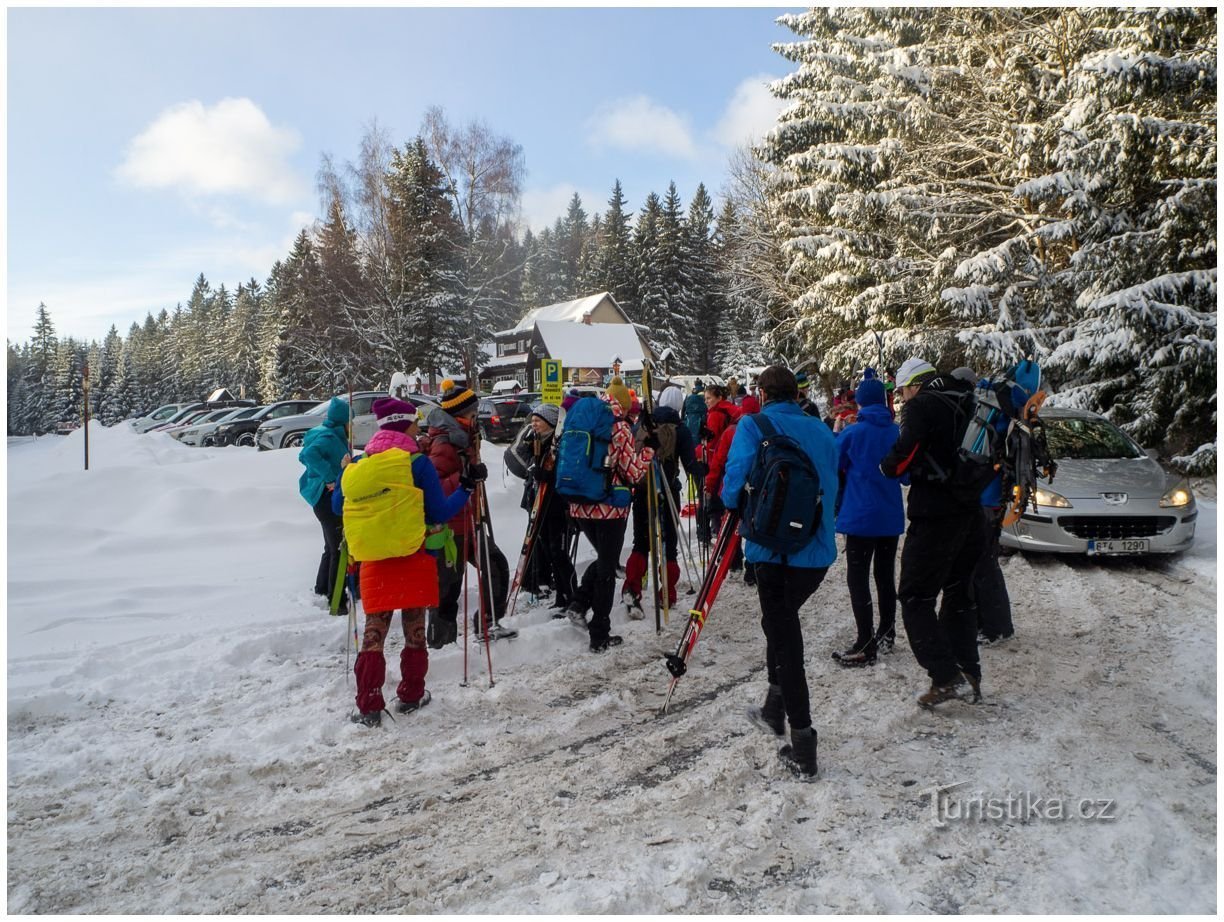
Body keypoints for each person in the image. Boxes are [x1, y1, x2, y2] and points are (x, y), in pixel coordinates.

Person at [722, 365, 838, 777]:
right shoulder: (823, 430)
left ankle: (803, 743)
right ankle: (774, 709)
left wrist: (735, 501)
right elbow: (832, 486)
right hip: (815, 552)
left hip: (771, 550)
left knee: (786, 637)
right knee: (779, 622)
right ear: (795, 393)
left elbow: (731, 484)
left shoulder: (754, 426)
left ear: (763, 393)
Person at [335, 398, 475, 727]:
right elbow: (439, 512)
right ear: (404, 425)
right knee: (414, 630)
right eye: (414, 421)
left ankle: (368, 703)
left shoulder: (362, 463)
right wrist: (466, 487)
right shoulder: (417, 463)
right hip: (414, 554)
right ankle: (411, 695)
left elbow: (336, 501)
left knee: (374, 632)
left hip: (374, 561)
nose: (418, 425)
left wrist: (346, 472)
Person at [881, 357, 986, 706]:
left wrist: (887, 465)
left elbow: (901, 458)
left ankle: (944, 675)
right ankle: (969, 670)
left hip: (935, 514)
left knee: (914, 596)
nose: (902, 399)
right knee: (959, 593)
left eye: (902, 391)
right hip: (973, 512)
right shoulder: (971, 399)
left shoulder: (922, 406)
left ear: (913, 385)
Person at [564, 377, 656, 652]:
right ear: (625, 405)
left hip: (579, 503)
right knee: (606, 569)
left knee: (605, 560)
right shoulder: (619, 426)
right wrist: (649, 450)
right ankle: (599, 633)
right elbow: (633, 472)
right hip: (609, 507)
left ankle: (579, 604)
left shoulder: (581, 416)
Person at [420, 379, 506, 648]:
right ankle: (440, 644)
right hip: (450, 529)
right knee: (447, 588)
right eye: (473, 411)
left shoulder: (464, 436)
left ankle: (488, 623)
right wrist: (466, 477)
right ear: (460, 414)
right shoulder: (445, 443)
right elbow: (434, 488)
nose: (476, 415)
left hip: (469, 520)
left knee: (495, 566)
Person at [831, 377, 905, 667]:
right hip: (889, 517)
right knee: (885, 576)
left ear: (860, 401)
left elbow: (835, 464)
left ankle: (865, 641)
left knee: (858, 578)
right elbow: (906, 474)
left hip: (861, 516)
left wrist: (838, 436)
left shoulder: (853, 433)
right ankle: (887, 632)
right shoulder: (897, 432)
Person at [622, 386, 701, 613]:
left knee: (641, 542)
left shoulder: (643, 425)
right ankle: (666, 592)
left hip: (642, 490)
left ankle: (632, 587)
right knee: (669, 546)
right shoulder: (681, 430)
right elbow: (691, 466)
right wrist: (704, 469)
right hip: (668, 491)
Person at [508, 403, 576, 612]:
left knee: (558, 552)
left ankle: (571, 596)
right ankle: (562, 598)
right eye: (533, 420)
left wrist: (547, 476)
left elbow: (566, 473)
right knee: (547, 549)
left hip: (557, 505)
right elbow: (518, 456)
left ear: (551, 423)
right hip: (539, 503)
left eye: (538, 420)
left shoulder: (560, 443)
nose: (534, 423)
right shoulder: (535, 441)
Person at [298, 397, 352, 613]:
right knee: (339, 547)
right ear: (342, 422)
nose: (352, 427)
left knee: (331, 546)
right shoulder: (328, 436)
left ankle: (322, 588)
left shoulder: (332, 435)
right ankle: (336, 600)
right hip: (326, 498)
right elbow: (307, 455)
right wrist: (331, 478)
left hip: (323, 498)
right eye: (350, 422)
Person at [705, 393, 759, 584]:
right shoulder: (765, 428)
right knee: (753, 526)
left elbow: (719, 461)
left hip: (734, 485)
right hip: (758, 488)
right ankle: (752, 568)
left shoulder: (732, 431)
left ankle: (734, 560)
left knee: (731, 524)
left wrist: (711, 484)